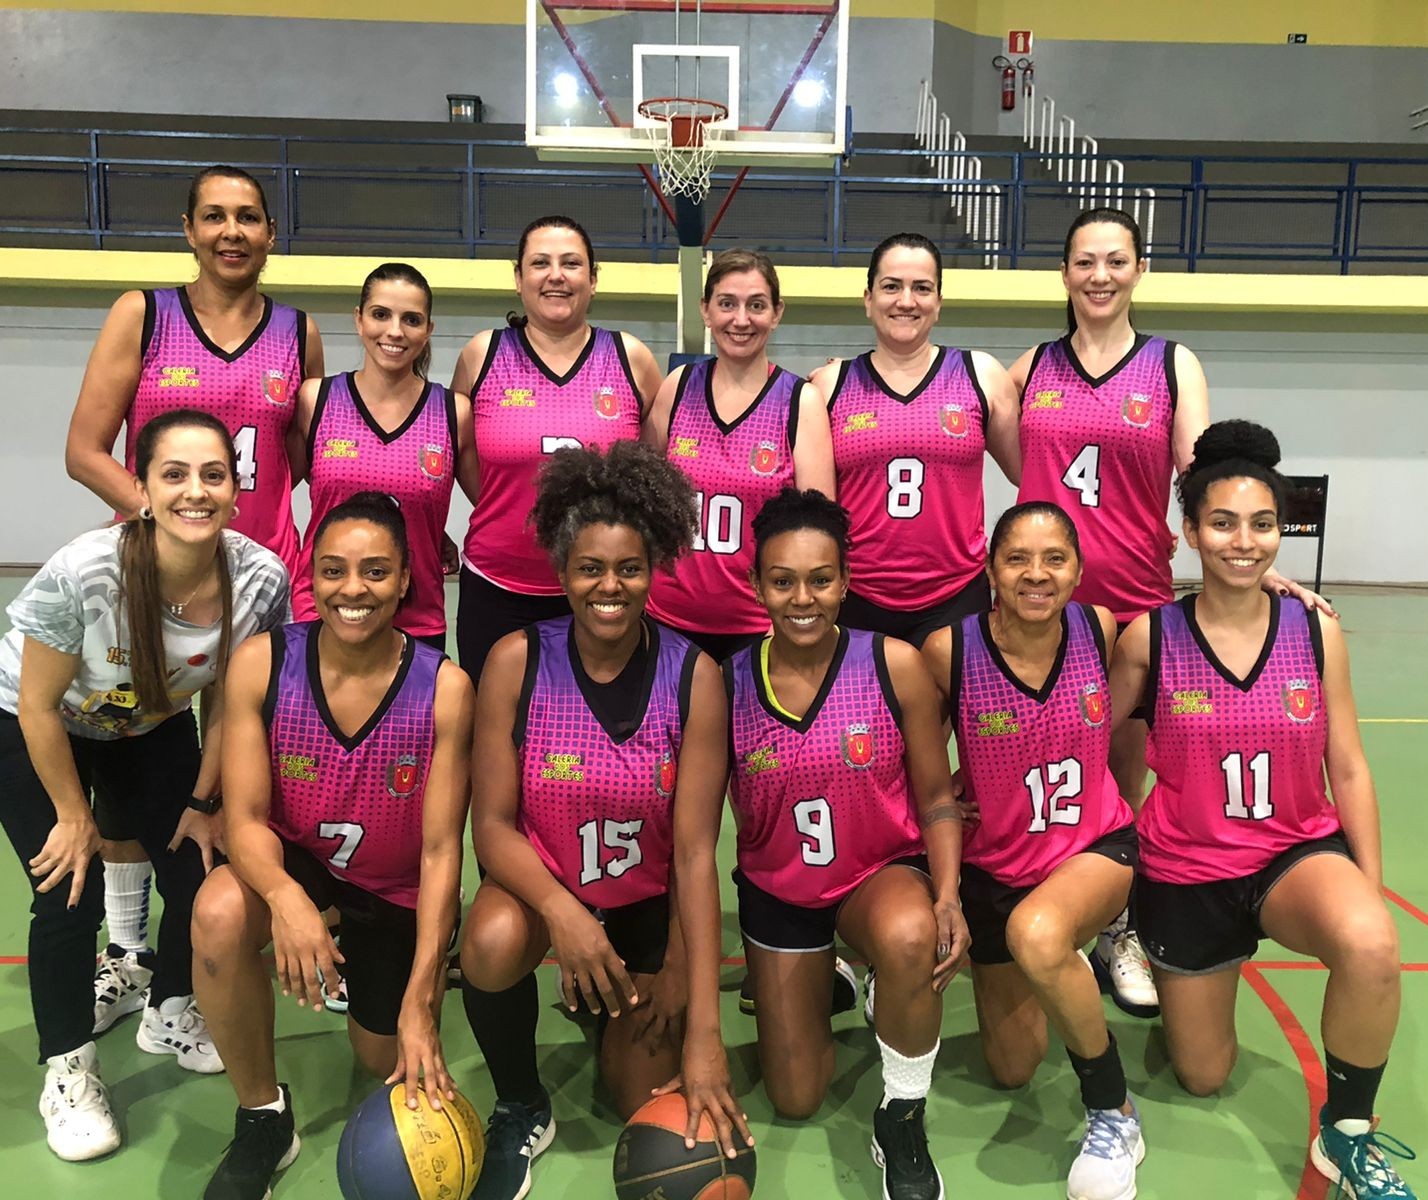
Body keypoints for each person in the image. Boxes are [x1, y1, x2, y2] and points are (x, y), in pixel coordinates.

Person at [1010, 207, 1323, 1017]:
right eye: (1084, 262)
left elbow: (1205, 478)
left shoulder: (1170, 363)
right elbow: (979, 435)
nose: (1100, 276)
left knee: (1121, 773)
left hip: (1137, 601)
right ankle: (1040, 910)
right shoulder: (1032, 366)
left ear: (1140, 269)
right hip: (1050, 611)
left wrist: (1258, 565)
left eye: (1116, 260)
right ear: (1065, 273)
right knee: (1043, 766)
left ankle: (1122, 926)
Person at [1109, 420, 1416, 1200]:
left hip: (1292, 857)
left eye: (1262, 524)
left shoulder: (1316, 630)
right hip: (1186, 872)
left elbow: (1346, 762)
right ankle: (1171, 955)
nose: (1243, 543)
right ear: (1189, 532)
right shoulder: (1150, 637)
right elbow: (1095, 748)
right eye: (1222, 523)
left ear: (1282, 530)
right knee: (1204, 1075)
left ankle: (1346, 1136)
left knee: (1372, 944)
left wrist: (1366, 896)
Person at [63, 164, 324, 1031]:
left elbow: (323, 460)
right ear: (187, 228)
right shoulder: (144, 313)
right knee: (139, 763)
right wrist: (174, 523)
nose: (232, 231)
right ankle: (129, 952)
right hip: (156, 585)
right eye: (215, 216)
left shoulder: (299, 333)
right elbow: (85, 448)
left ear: (271, 233)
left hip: (261, 586)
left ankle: (255, 930)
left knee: (243, 771)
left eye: (248, 216)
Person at [460, 442, 748, 1200]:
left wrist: (703, 1029)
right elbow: (489, 827)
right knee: (488, 943)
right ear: (562, 572)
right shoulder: (516, 661)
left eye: (628, 568)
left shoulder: (696, 676)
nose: (608, 586)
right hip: (550, 897)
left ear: (654, 570)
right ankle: (521, 1102)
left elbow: (694, 855)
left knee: (641, 1103)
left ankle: (614, 1002)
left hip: (647, 911)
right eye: (590, 568)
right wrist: (562, 913)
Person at [0, 409, 289, 1162]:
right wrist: (73, 815)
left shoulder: (258, 576)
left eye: (213, 475)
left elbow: (231, 696)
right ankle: (69, 1070)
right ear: (143, 488)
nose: (195, 491)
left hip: (147, 722)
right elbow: (35, 704)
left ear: (235, 488)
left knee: (200, 863)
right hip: (36, 719)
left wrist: (203, 800)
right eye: (174, 474)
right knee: (67, 887)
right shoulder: (85, 570)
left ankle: (168, 1007)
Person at [190, 492, 474, 1200]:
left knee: (386, 1060)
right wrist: (287, 900)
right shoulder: (262, 662)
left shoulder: (445, 689)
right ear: (310, 575)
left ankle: (365, 971)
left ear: (408, 579)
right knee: (218, 913)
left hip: (392, 886)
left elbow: (442, 853)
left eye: (376, 571)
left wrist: (423, 1000)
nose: (354, 590)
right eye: (335, 570)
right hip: (303, 866)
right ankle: (263, 1117)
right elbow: (245, 818)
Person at [726, 487, 969, 1200]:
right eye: (783, 580)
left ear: (847, 581)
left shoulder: (894, 664)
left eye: (821, 579)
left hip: (875, 873)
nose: (804, 598)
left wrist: (948, 893)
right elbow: (693, 830)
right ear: (757, 585)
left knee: (907, 933)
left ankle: (901, 1113)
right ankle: (837, 977)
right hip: (779, 891)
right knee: (796, 1095)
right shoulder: (728, 681)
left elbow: (935, 797)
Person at [920, 501, 1143, 1200]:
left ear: (1078, 572)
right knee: (1012, 1067)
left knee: (1037, 933)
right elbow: (920, 768)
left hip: (1094, 846)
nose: (1036, 574)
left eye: (1055, 559)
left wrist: (1287, 588)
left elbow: (1199, 624)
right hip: (998, 867)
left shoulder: (1100, 627)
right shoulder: (948, 650)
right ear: (990, 569)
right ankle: (1057, 966)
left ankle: (1114, 1111)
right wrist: (946, 884)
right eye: (1017, 558)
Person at [449, 215, 662, 686]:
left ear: (593, 278)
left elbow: (653, 472)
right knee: (495, 731)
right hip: (498, 583)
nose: (556, 275)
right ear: (519, 278)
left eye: (571, 263)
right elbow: (464, 458)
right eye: (540, 263)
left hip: (603, 589)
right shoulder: (481, 354)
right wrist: (512, 508)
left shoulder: (631, 358)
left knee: (592, 734)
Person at [809, 232, 1020, 649]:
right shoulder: (828, 385)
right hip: (858, 596)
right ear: (868, 299)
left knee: (950, 715)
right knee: (861, 715)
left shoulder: (981, 375)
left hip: (956, 596)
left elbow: (1035, 473)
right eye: (891, 286)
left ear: (938, 302)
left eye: (921, 288)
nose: (906, 301)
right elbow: (812, 504)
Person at [645, 248, 835, 663]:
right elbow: (641, 497)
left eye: (757, 305)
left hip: (756, 629)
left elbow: (818, 531)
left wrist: (785, 618)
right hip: (667, 620)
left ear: (777, 312)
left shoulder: (800, 402)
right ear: (706, 310)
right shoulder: (678, 387)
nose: (741, 319)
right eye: (727, 303)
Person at [291, 262, 479, 650]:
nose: (395, 331)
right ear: (359, 320)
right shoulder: (315, 400)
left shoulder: (453, 412)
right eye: (381, 315)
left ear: (428, 331)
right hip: (324, 608)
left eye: (411, 319)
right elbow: (273, 492)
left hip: (418, 618)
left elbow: (493, 503)